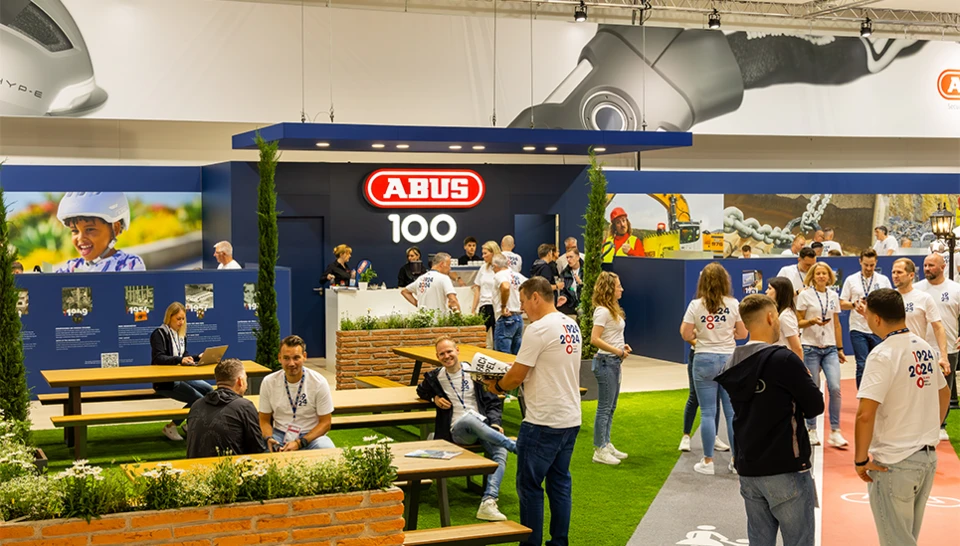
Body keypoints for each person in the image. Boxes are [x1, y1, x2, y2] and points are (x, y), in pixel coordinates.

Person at [715, 294, 824, 546]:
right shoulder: (784, 360)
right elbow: (814, 406)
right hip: (786, 467)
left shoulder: (733, 361)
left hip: (749, 468)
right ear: (770, 316)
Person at [484, 277, 581, 546]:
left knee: (529, 487)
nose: (522, 308)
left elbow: (516, 376)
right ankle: (559, 542)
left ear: (536, 297)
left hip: (543, 421)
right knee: (560, 484)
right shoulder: (570, 324)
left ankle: (531, 544)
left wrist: (496, 386)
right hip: (570, 417)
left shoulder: (538, 329)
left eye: (524, 301)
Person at [854, 289, 950, 546]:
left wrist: (861, 459)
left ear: (875, 319)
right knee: (907, 537)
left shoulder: (883, 354)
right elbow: (945, 393)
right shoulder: (925, 348)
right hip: (926, 457)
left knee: (896, 541)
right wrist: (929, 429)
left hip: (894, 462)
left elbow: (865, 414)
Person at [417, 337, 517, 521]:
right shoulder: (435, 377)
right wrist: (434, 399)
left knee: (499, 452)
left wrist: (495, 424)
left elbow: (494, 402)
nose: (447, 356)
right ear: (437, 357)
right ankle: (513, 445)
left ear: (457, 351)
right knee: (469, 419)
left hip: (485, 427)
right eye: (442, 354)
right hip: (458, 431)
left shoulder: (475, 373)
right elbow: (420, 390)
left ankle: (488, 501)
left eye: (449, 351)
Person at [680, 263, 747, 475]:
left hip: (704, 358)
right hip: (729, 358)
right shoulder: (734, 303)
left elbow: (685, 333)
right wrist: (728, 335)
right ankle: (736, 461)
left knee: (708, 412)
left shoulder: (695, 305)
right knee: (732, 413)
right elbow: (743, 333)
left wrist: (701, 336)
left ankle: (708, 461)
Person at [795, 262, 847, 448]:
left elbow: (837, 324)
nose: (821, 276)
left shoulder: (833, 296)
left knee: (835, 387)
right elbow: (797, 322)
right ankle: (811, 428)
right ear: (812, 275)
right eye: (818, 273)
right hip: (810, 347)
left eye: (824, 273)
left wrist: (840, 348)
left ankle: (835, 431)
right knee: (813, 388)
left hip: (830, 348)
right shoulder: (805, 295)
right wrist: (811, 321)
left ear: (829, 276)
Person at [258, 335, 335, 451]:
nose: (291, 363)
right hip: (279, 435)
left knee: (327, 448)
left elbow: (325, 423)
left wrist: (300, 442)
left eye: (296, 358)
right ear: (279, 358)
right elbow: (263, 420)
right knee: (261, 451)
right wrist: (269, 438)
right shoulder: (269, 382)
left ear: (304, 357)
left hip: (311, 436)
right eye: (286, 358)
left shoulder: (318, 382)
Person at [150, 302, 214, 441]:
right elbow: (159, 358)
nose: (181, 322)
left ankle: (189, 424)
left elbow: (183, 354)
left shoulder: (181, 334)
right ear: (169, 318)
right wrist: (180, 360)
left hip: (182, 376)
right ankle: (171, 426)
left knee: (209, 390)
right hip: (165, 381)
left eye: (183, 319)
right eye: (178, 319)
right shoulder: (159, 334)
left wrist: (197, 357)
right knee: (199, 399)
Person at [915, 253, 960, 441]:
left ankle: (941, 424)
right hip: (920, 349)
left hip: (948, 347)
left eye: (931, 265)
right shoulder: (916, 289)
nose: (927, 269)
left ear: (943, 267)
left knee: (943, 390)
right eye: (925, 265)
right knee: (920, 388)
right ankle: (919, 424)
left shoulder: (956, 289)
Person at [186, 358, 266, 458]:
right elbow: (257, 449)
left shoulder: (196, 405)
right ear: (240, 381)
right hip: (228, 471)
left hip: (195, 469)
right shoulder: (244, 406)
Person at [589, 272, 631, 466]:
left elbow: (610, 336)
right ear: (609, 288)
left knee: (611, 406)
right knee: (604, 407)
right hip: (606, 362)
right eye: (618, 286)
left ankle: (606, 442)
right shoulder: (602, 311)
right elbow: (595, 339)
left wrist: (622, 349)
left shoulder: (612, 310)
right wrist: (617, 350)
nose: (621, 289)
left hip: (614, 362)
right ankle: (599, 448)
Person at [839, 249, 892, 388]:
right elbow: (841, 303)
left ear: (876, 263)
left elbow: (890, 302)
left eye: (872, 265)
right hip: (858, 327)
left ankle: (878, 396)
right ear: (860, 262)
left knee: (879, 363)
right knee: (862, 363)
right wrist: (854, 305)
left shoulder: (883, 280)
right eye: (866, 265)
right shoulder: (851, 280)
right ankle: (863, 398)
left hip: (878, 328)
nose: (868, 268)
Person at [55, 191, 146, 272]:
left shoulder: (129, 264)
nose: (81, 238)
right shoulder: (70, 268)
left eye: (90, 229)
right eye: (75, 231)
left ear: (115, 229)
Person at [891, 258, 950, 375]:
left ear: (911, 275)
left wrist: (943, 356)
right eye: (893, 272)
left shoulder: (923, 298)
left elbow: (938, 327)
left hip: (917, 355)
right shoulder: (888, 297)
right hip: (894, 355)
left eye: (899, 272)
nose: (895, 276)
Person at [491, 254, 526, 355]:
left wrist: (503, 306)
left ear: (495, 266)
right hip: (519, 318)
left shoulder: (500, 275)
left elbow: (505, 286)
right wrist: (523, 305)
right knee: (516, 357)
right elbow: (530, 288)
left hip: (506, 318)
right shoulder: (518, 276)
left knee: (503, 357)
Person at [765, 276, 803, 360]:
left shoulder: (786, 316)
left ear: (779, 292)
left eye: (769, 288)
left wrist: (801, 369)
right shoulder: (779, 314)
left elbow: (797, 347)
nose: (766, 291)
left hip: (785, 361)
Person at [472, 241, 502, 333]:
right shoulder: (483, 268)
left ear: (493, 253)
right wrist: (473, 309)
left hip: (497, 307)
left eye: (485, 253)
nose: (483, 256)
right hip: (484, 306)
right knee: (479, 335)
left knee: (497, 339)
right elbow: (478, 288)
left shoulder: (501, 268)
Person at [557, 249, 583, 316]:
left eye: (571, 257)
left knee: (581, 311)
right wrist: (564, 297)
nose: (568, 260)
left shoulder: (586, 271)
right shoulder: (564, 273)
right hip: (571, 303)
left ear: (578, 257)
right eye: (567, 257)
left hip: (584, 302)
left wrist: (581, 283)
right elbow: (564, 290)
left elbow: (591, 289)